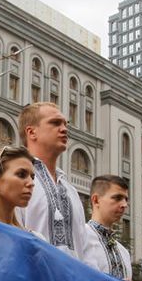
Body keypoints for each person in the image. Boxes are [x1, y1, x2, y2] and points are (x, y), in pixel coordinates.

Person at [15, 102, 87, 257]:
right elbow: (10, 239)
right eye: (55, 123)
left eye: (65, 124)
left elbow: (84, 254)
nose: (64, 129)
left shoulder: (71, 191)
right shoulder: (15, 181)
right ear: (32, 132)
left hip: (73, 280)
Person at [79, 175, 134, 281]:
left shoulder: (123, 252)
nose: (124, 205)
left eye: (125, 199)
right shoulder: (81, 237)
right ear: (96, 200)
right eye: (117, 198)